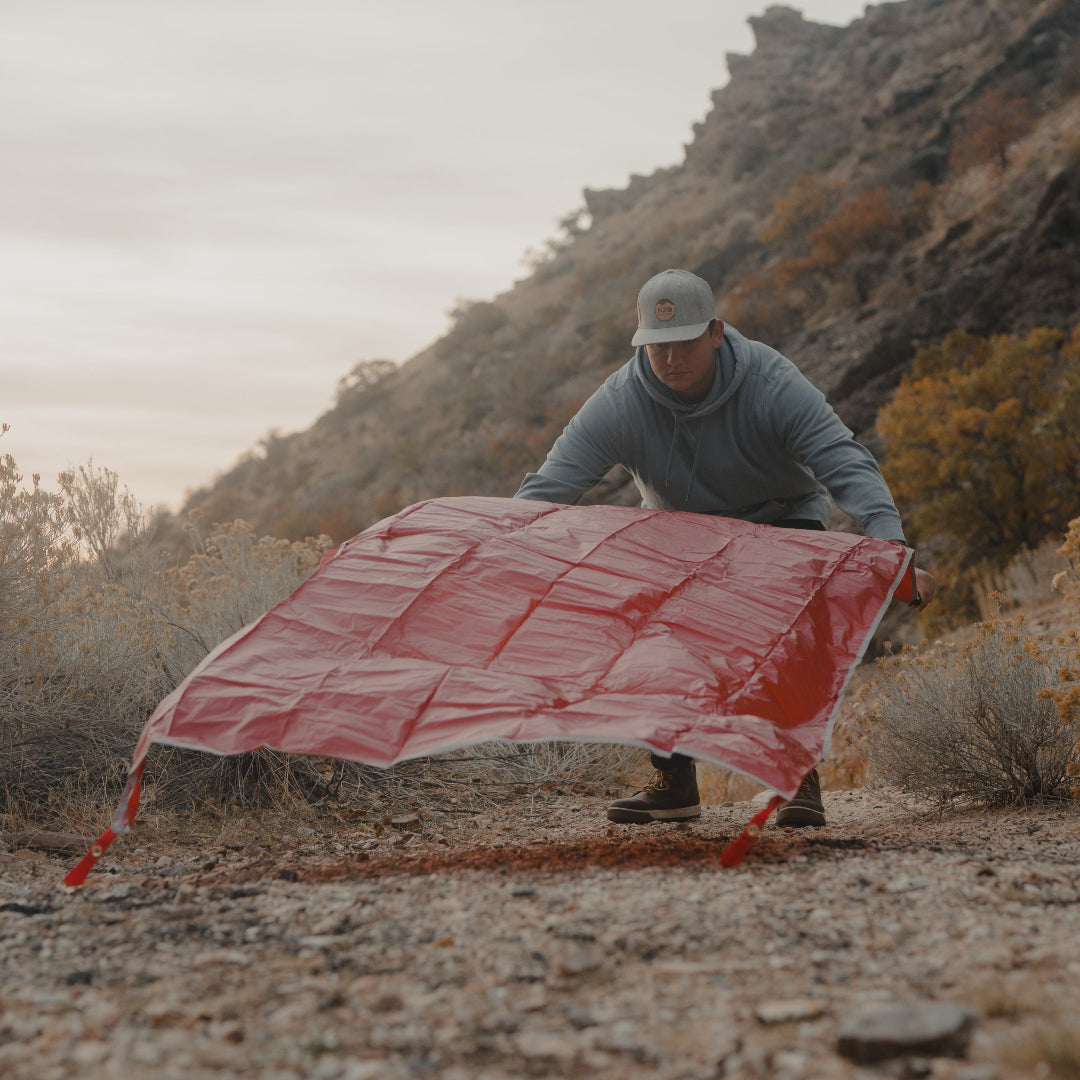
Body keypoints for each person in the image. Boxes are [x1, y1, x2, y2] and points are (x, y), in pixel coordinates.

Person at [514, 268, 935, 828]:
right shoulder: (620, 400)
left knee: (786, 632)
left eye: (685, 341)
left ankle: (796, 778)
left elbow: (843, 460)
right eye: (657, 345)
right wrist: (503, 546)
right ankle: (673, 782)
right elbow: (551, 487)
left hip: (781, 520)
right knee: (654, 630)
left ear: (715, 332)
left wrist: (892, 553)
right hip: (680, 532)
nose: (670, 358)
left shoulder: (770, 381)